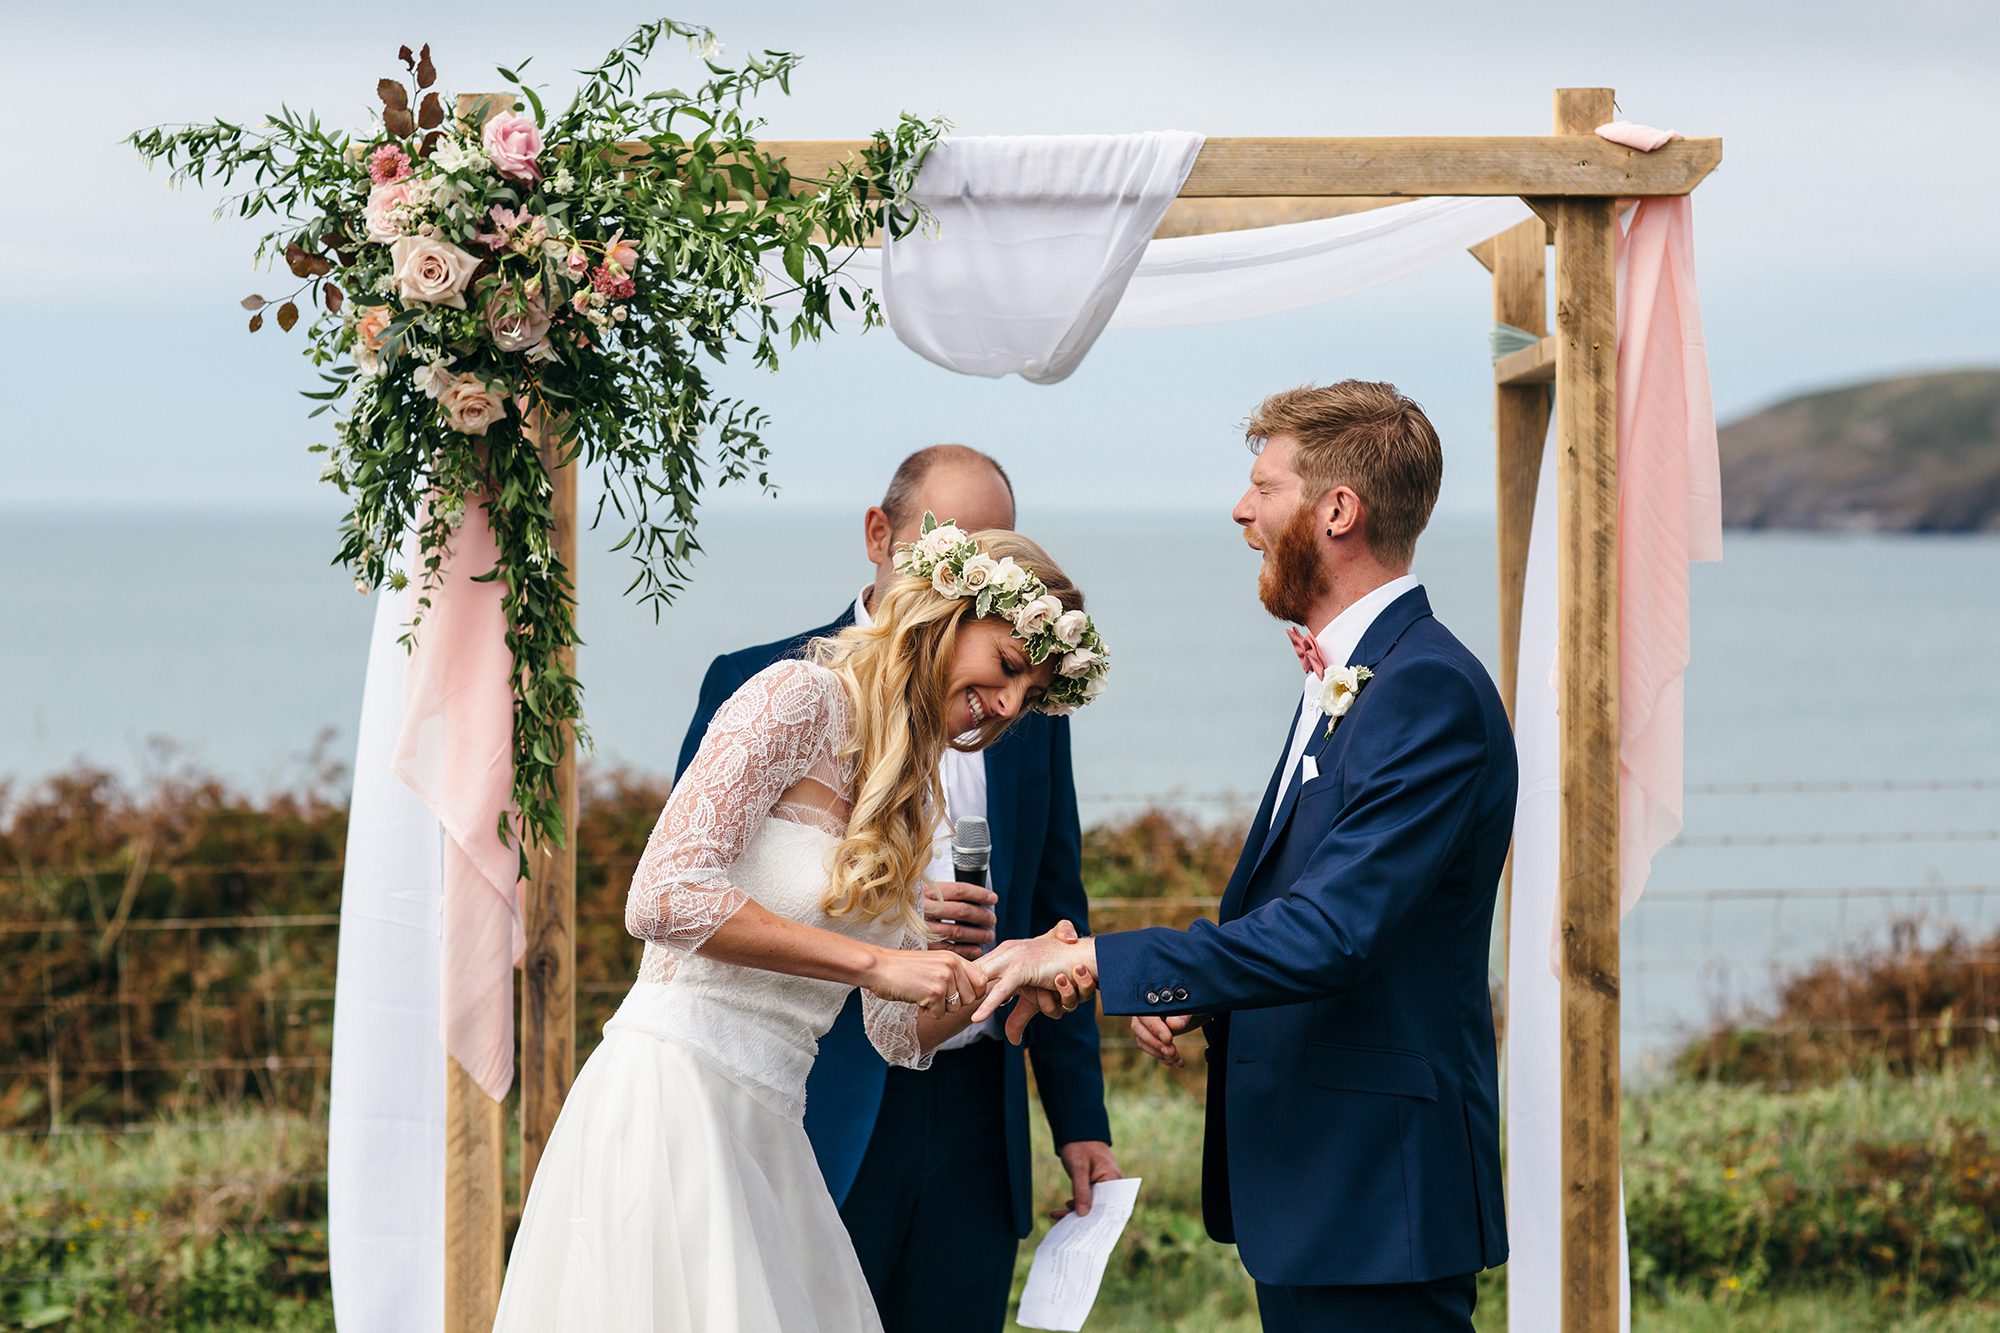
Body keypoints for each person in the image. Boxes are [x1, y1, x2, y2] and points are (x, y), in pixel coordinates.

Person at [977, 382, 1515, 1332]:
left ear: (1336, 510)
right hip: (1323, 1191)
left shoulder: (1426, 691)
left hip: (1375, 1195)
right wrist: (1199, 988)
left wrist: (1098, 960)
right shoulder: (1362, 677)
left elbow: (1335, 932)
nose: (1242, 511)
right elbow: (1324, 905)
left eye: (1264, 487)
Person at [492, 521, 1111, 1333]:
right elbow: (661, 895)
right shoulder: (794, 698)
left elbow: (899, 1030)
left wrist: (1010, 973)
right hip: (674, 1097)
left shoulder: (915, 794)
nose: (1006, 705)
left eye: (1027, 696)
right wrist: (872, 963)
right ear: (946, 610)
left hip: (772, 1126)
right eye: (1007, 666)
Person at [675, 446, 1119, 1333]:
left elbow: (1053, 903)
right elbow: (690, 899)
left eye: (996, 551)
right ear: (879, 536)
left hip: (975, 1113)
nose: (975, 575)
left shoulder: (1024, 719)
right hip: (820, 1096)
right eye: (951, 545)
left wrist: (1079, 1120)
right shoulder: (768, 682)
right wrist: (890, 936)